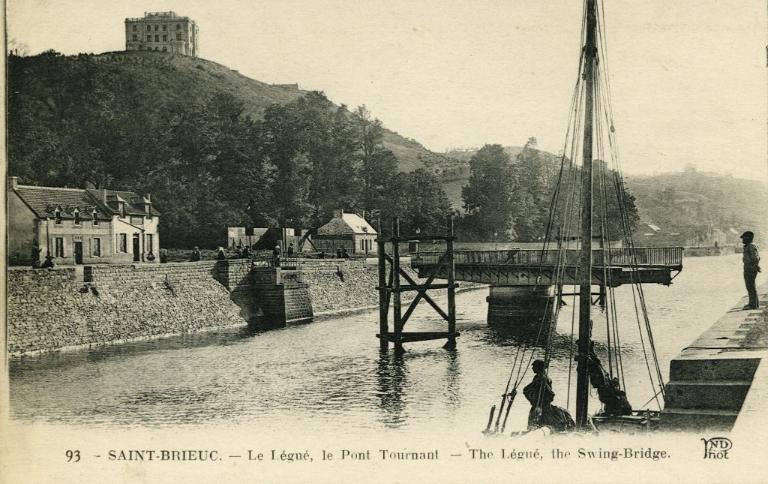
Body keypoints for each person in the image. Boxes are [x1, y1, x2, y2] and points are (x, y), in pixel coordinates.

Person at [522, 359, 575, 432]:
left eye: (534, 366)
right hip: (539, 404)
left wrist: (538, 400)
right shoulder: (539, 377)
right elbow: (527, 390)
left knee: (537, 421)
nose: (532, 368)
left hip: (542, 405)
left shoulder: (542, 378)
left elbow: (550, 393)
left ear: (539, 367)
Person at [741, 231, 761, 310]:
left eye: (744, 238)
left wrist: (754, 266)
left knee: (751, 287)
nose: (742, 240)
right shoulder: (748, 246)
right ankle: (753, 304)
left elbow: (756, 258)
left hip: (750, 269)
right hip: (749, 268)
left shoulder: (751, 246)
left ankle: (753, 305)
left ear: (748, 238)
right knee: (750, 287)